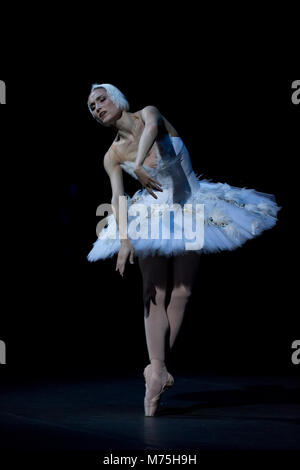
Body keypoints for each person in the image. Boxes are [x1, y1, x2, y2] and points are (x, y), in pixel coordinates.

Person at [87, 83, 280, 417]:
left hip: (190, 205)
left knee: (182, 292)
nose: (97, 107)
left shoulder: (149, 112)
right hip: (151, 213)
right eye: (91, 107)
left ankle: (155, 369)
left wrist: (144, 167)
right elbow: (118, 197)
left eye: (100, 99)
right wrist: (124, 240)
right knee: (153, 290)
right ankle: (158, 371)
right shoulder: (112, 155)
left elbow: (151, 129)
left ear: (116, 98)